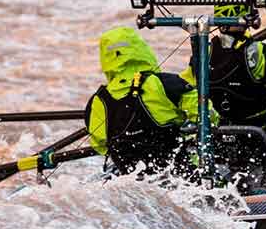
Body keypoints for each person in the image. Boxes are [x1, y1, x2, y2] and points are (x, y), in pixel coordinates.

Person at [180, 3, 266, 157]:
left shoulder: (204, 52)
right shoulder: (259, 52)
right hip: (261, 133)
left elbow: (185, 88)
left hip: (217, 133)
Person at [84, 26, 197, 177]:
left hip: (134, 187)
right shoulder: (164, 83)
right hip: (180, 179)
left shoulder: (98, 100)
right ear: (141, 50)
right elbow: (205, 113)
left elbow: (99, 146)